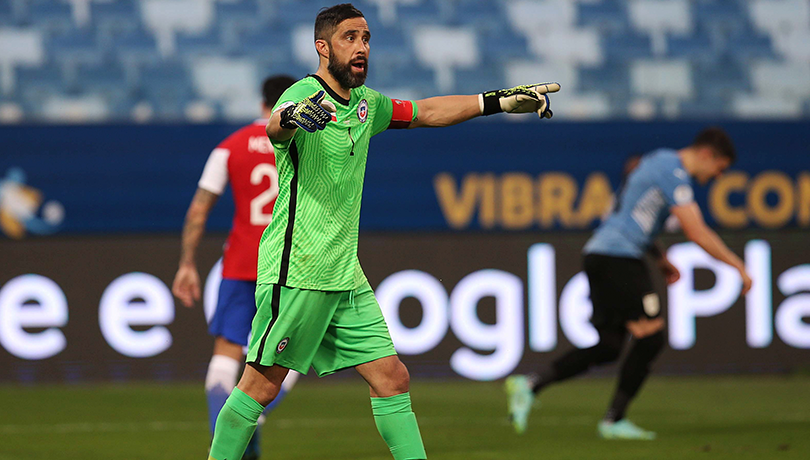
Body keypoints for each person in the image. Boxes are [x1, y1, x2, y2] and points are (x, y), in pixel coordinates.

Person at [206, 4, 560, 460]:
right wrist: (292, 117)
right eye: (350, 37)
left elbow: (427, 111)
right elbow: (278, 126)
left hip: (344, 274)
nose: (362, 47)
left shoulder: (366, 104)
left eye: (366, 38)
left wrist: (495, 102)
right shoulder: (303, 94)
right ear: (322, 47)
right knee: (260, 385)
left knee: (392, 378)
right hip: (298, 270)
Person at [506, 127, 753, 440]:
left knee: (610, 346)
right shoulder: (673, 172)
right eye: (720, 168)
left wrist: (660, 258)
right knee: (651, 337)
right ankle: (614, 420)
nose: (718, 176)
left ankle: (530, 384)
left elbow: (632, 214)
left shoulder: (657, 161)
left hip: (600, 254)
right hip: (618, 258)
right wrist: (738, 265)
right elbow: (696, 231)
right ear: (707, 154)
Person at [172, 75, 298, 460]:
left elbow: (198, 210)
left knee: (225, 355)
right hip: (291, 265)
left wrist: (187, 263)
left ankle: (222, 441)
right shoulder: (305, 142)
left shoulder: (229, 147)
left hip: (241, 263)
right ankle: (251, 419)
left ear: (262, 104)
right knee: (292, 356)